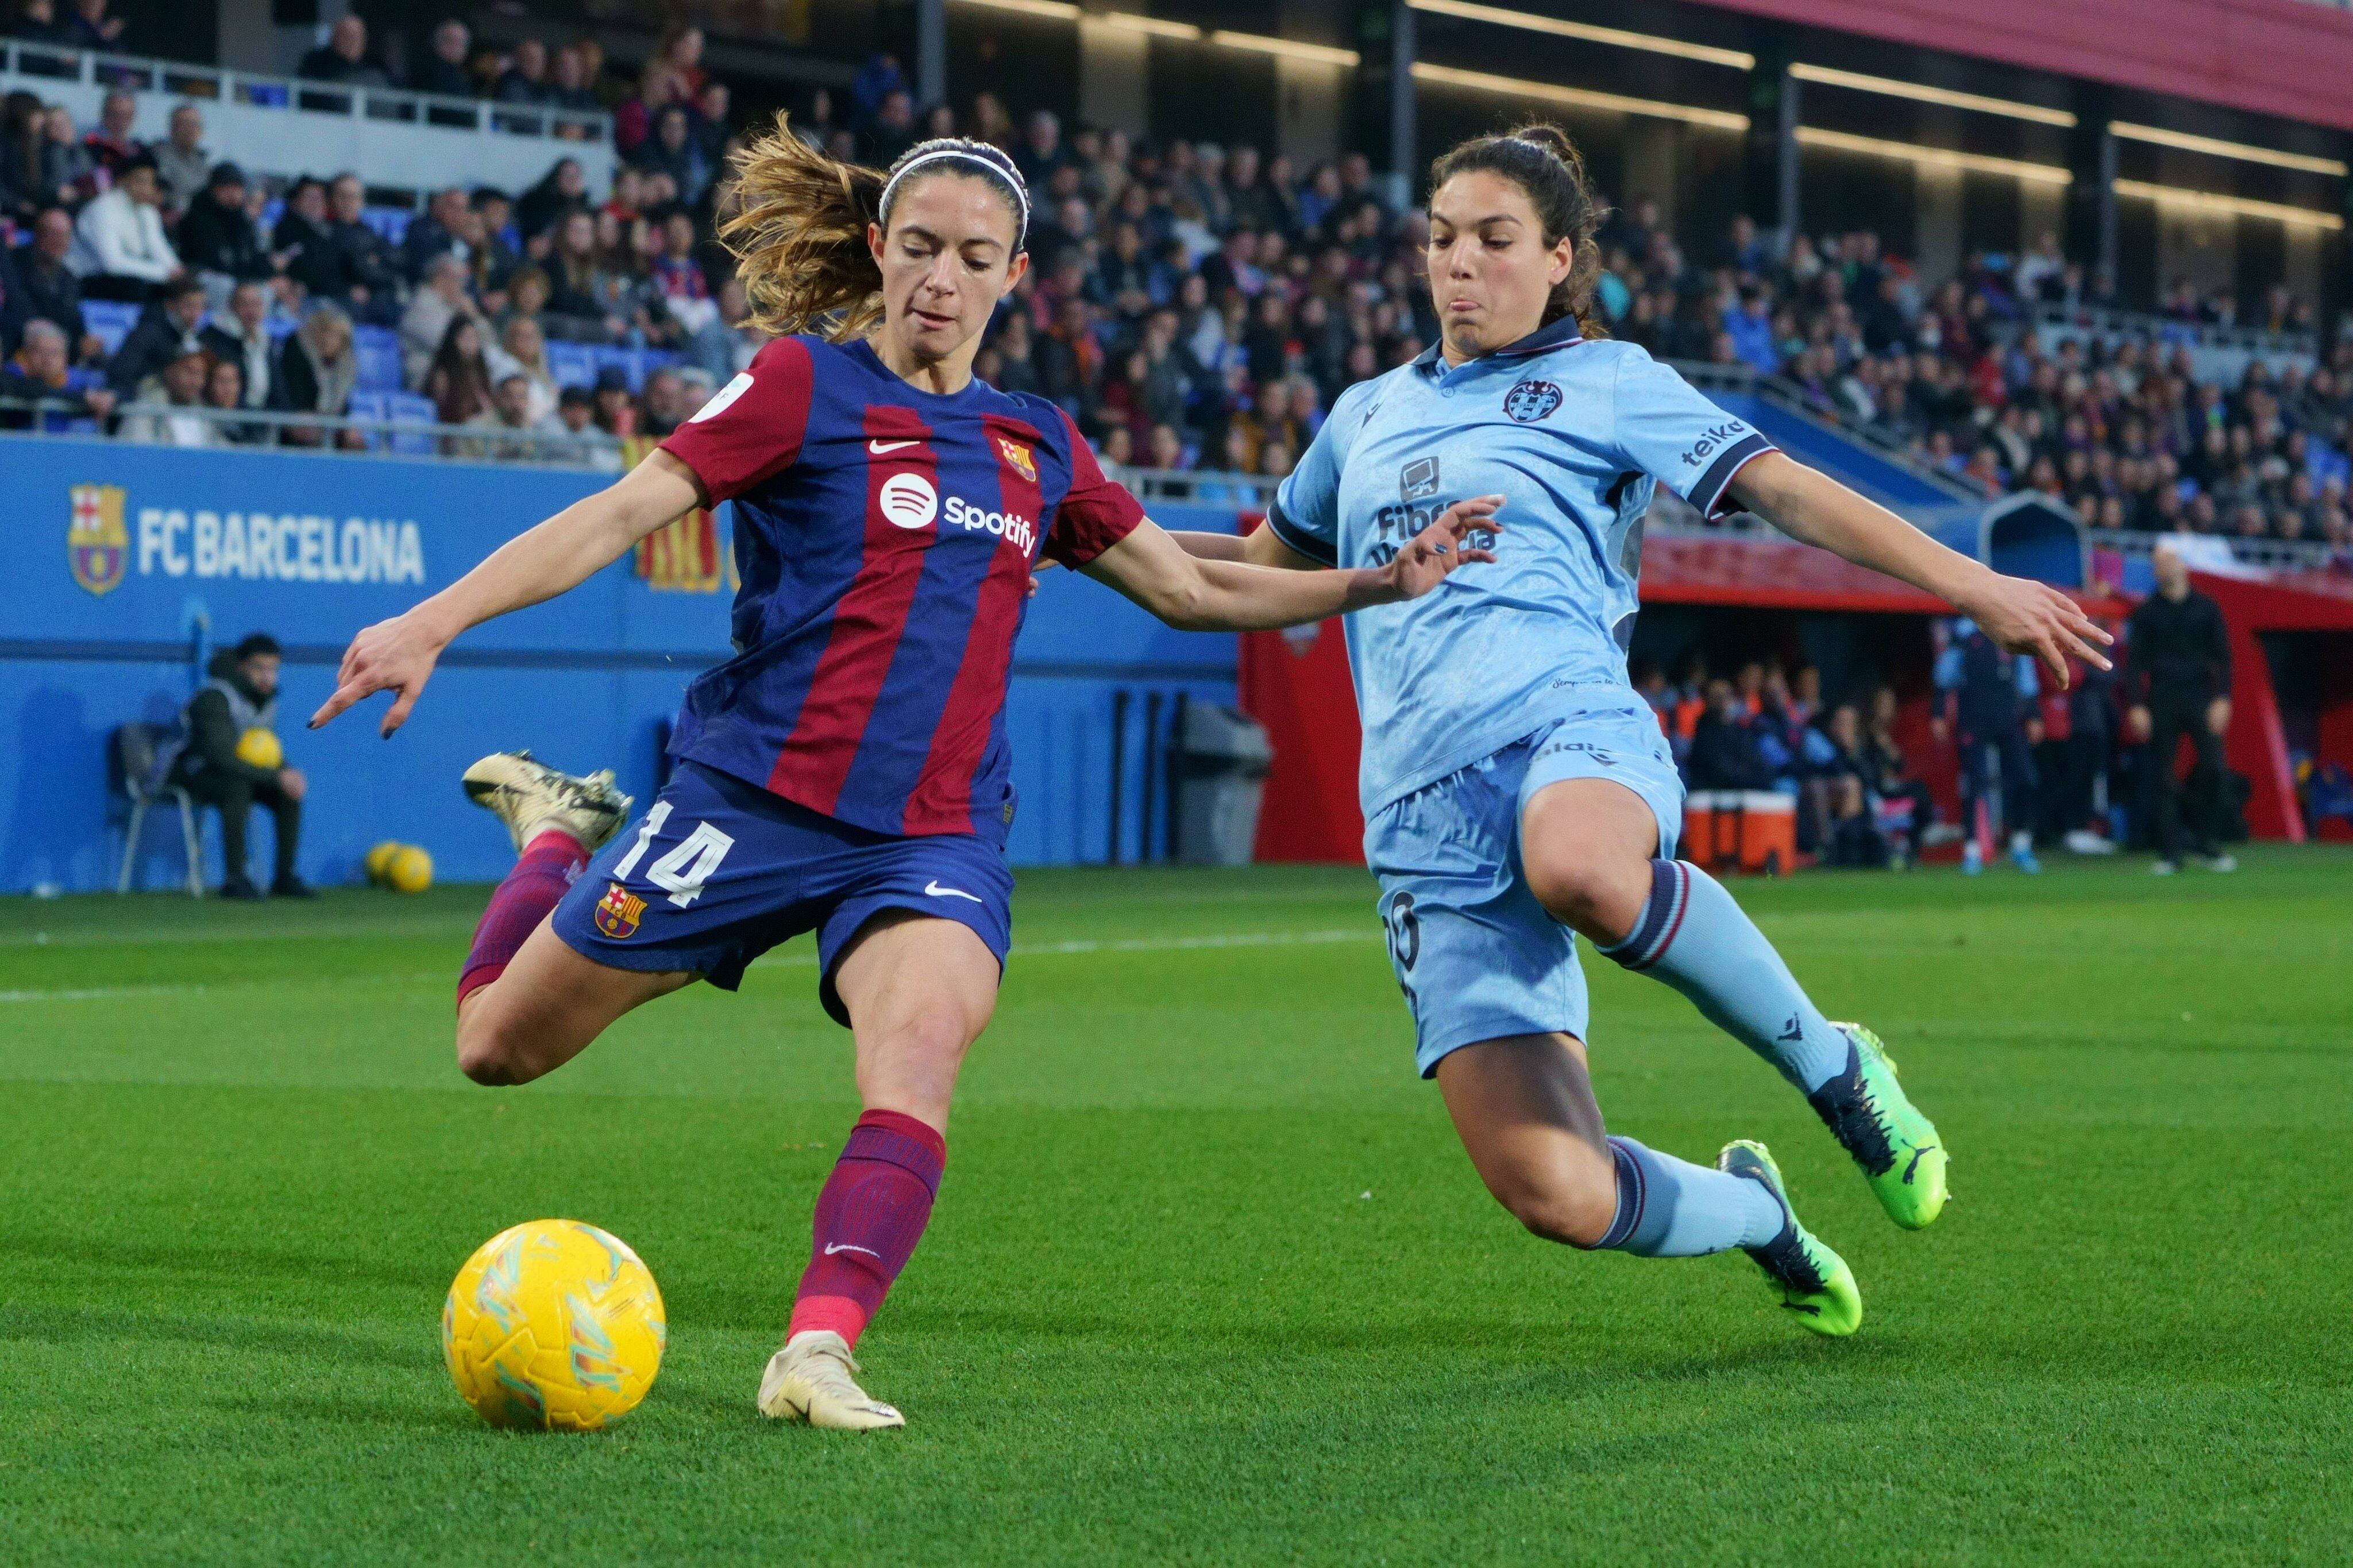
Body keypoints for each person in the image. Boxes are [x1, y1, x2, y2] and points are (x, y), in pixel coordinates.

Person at [307, 123, 1491, 1430]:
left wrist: (1378, 582)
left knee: (917, 1057)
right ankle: (554, 832)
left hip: (929, 835)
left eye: (973, 257)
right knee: (494, 1049)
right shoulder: (797, 386)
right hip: (744, 804)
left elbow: (1197, 584)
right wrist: (435, 620)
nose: (941, 276)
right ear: (878, 249)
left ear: (1014, 275)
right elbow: (616, 516)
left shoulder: (1035, 444)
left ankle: (816, 1351)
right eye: (919, 247)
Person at [1168, 123, 2109, 1337]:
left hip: (1568, 732)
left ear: (1558, 257)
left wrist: (1969, 582)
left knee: (1580, 869)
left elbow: (1780, 489)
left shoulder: (1613, 384)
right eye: (1442, 239)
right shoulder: (1360, 416)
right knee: (1552, 1192)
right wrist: (1068, 534)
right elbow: (1250, 569)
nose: (1460, 263)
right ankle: (1759, 1219)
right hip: (1418, 816)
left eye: (1494, 241)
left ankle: (1835, 1072)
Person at [168, 634, 311, 899]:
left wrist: (285, 773)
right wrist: (275, 776)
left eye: (273, 669)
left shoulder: (266, 702)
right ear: (242, 667)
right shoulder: (215, 697)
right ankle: (235, 879)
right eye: (259, 668)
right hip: (189, 772)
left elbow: (264, 751)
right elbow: (219, 757)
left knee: (287, 792)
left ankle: (284, 877)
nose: (267, 676)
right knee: (238, 787)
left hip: (234, 772)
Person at [2126, 541, 2235, 874]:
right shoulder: (2146, 613)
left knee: (2214, 767)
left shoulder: (2207, 608)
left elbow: (2224, 658)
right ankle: (2171, 853)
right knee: (2162, 775)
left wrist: (2223, 698)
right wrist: (2136, 705)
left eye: (2169, 561)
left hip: (2200, 697)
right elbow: (2134, 664)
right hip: (2162, 699)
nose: (2163, 568)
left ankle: (2203, 840)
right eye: (2157, 563)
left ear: (2183, 565)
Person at [70, 152, 179, 301]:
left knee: (181, 289)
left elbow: (158, 249)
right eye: (140, 181)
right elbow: (112, 264)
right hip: (89, 278)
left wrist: (177, 273)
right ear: (122, 181)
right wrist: (164, 274)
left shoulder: (148, 212)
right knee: (140, 287)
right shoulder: (103, 208)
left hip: (130, 278)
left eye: (149, 183)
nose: (146, 189)